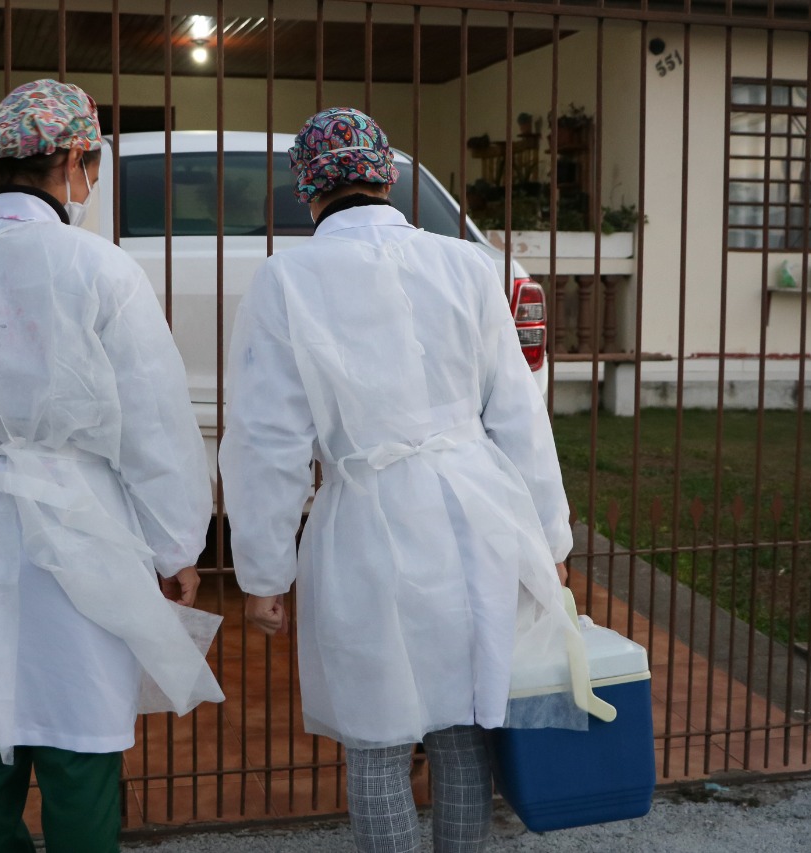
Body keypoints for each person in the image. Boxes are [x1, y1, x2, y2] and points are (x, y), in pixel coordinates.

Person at [219, 107, 582, 853]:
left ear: (307, 190)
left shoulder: (285, 279)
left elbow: (268, 440)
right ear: (387, 176)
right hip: (474, 514)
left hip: (366, 518)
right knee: (461, 726)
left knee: (378, 737)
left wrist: (263, 569)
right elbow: (517, 411)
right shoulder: (469, 266)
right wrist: (549, 535)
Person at [0, 79, 222, 853]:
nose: (92, 182)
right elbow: (154, 422)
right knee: (79, 730)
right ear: (73, 157)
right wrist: (176, 548)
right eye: (92, 166)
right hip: (76, 516)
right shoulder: (100, 271)